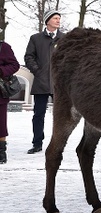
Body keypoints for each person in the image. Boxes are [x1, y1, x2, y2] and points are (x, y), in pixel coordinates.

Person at [24, 10, 64, 154]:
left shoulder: (64, 39)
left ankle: (58, 144)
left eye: (59, 18)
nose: (58, 20)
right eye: (55, 18)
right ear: (47, 21)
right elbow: (29, 57)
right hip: (41, 83)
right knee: (38, 115)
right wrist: (37, 70)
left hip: (59, 85)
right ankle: (37, 143)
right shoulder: (35, 38)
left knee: (60, 117)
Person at [0, 39, 21, 163]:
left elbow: (15, 65)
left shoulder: (3, 47)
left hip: (0, 94)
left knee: (0, 125)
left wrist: (1, 71)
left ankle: (1, 153)